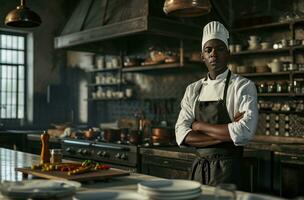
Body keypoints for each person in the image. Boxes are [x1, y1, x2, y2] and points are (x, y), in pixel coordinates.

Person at [175, 21, 258, 186]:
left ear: (228, 53)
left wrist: (198, 126)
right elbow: (181, 135)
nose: (214, 54)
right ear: (202, 56)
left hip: (229, 172)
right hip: (199, 170)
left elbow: (245, 133)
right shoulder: (193, 89)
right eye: (208, 50)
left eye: (220, 49)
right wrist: (228, 134)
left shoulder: (243, 86)